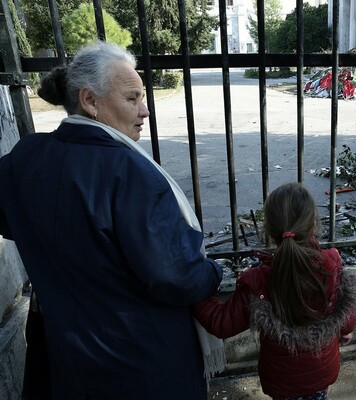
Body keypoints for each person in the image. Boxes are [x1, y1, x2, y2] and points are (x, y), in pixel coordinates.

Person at [0, 41, 223, 399]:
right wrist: (214, 272)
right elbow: (175, 276)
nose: (145, 110)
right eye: (133, 98)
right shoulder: (130, 172)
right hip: (141, 364)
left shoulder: (25, 157)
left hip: (65, 362)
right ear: (90, 100)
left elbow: (12, 220)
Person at [194, 182, 356, 400]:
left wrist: (194, 289)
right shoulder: (331, 264)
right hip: (323, 370)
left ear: (268, 229)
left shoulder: (257, 280)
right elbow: (344, 304)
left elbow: (221, 322)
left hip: (281, 381)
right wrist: (346, 329)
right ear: (314, 224)